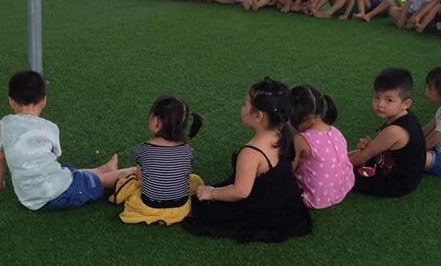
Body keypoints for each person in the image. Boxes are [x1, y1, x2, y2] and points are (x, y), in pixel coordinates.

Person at [183, 78, 312, 242]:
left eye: (245, 104)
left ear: (258, 116)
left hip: (265, 209)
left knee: (202, 208)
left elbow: (241, 192)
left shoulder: (250, 153)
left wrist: (211, 193)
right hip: (285, 203)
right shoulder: (281, 136)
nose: (242, 108)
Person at [0, 71, 135, 209]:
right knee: (98, 181)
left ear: (11, 101)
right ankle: (132, 172)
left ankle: (102, 169)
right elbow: (55, 160)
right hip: (53, 195)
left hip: (27, 198)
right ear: (44, 101)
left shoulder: (5, 124)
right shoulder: (50, 128)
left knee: (68, 172)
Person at [110, 96, 203, 225]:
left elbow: (140, 177)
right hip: (180, 208)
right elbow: (185, 174)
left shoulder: (144, 149)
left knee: (130, 183)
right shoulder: (188, 150)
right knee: (194, 179)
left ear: (156, 120)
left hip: (148, 206)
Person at [349, 68, 425, 197]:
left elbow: (365, 155)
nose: (380, 104)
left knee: (342, 174)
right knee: (354, 157)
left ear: (406, 103)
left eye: (389, 100)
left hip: (395, 182)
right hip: (390, 166)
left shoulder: (395, 130)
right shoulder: (403, 116)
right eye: (377, 97)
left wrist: (336, 167)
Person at [289, 84, 354, 209]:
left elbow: (289, 169)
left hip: (314, 198)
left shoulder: (301, 140)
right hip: (343, 187)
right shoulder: (335, 131)